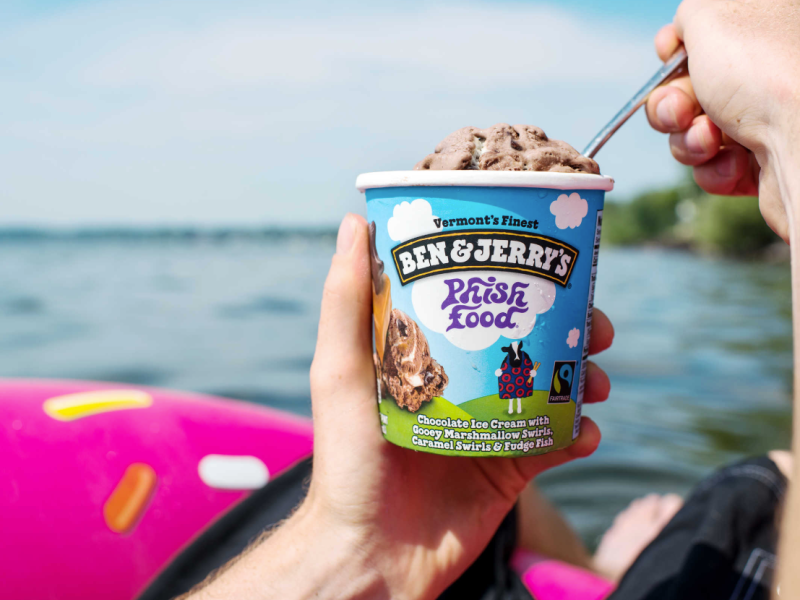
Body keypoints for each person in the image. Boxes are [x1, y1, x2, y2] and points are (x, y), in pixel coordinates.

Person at [171, 0, 800, 597]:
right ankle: (608, 565)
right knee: (762, 486)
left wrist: (349, 546)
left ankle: (602, 562)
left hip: (424, 512)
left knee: (515, 490)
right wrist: (786, 104)